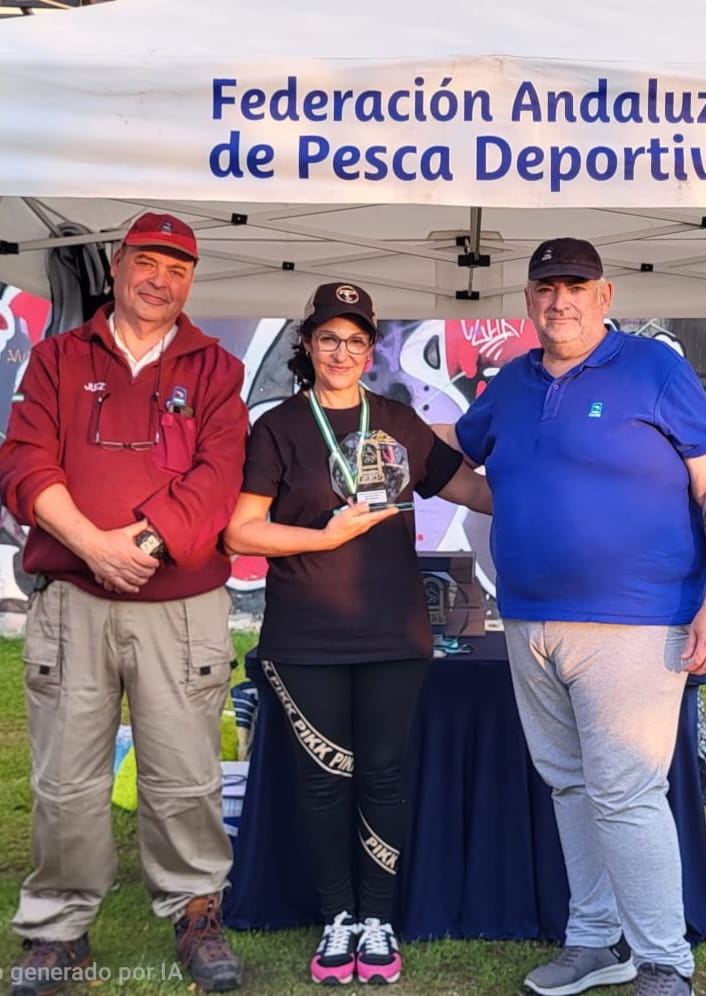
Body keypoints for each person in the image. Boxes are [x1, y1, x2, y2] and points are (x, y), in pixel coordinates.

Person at [435, 238, 706, 996]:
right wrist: (379, 431)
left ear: (604, 297)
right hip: (531, 619)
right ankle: (595, 940)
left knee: (627, 793)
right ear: (529, 300)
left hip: (637, 621)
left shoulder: (654, 369)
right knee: (570, 785)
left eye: (575, 287)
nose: (560, 301)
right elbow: (471, 470)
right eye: (546, 288)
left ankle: (665, 961)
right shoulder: (512, 383)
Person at [0, 213, 248, 995]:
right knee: (66, 778)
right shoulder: (57, 359)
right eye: (147, 262)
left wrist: (138, 544)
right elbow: (25, 464)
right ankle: (58, 929)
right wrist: (92, 545)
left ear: (191, 280)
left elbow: (218, 477)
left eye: (178, 268)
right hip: (72, 599)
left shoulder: (217, 370)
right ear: (116, 264)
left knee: (185, 774)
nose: (160, 280)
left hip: (180, 605)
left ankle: (197, 912)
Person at [222, 282, 490, 986]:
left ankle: (377, 919)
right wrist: (323, 535)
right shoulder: (278, 427)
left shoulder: (397, 420)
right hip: (306, 636)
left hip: (393, 634)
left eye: (355, 341)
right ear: (307, 346)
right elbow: (241, 531)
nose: (341, 353)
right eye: (328, 339)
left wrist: (547, 500)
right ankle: (337, 916)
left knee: (384, 774)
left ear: (370, 350)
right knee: (322, 781)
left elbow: (467, 487)